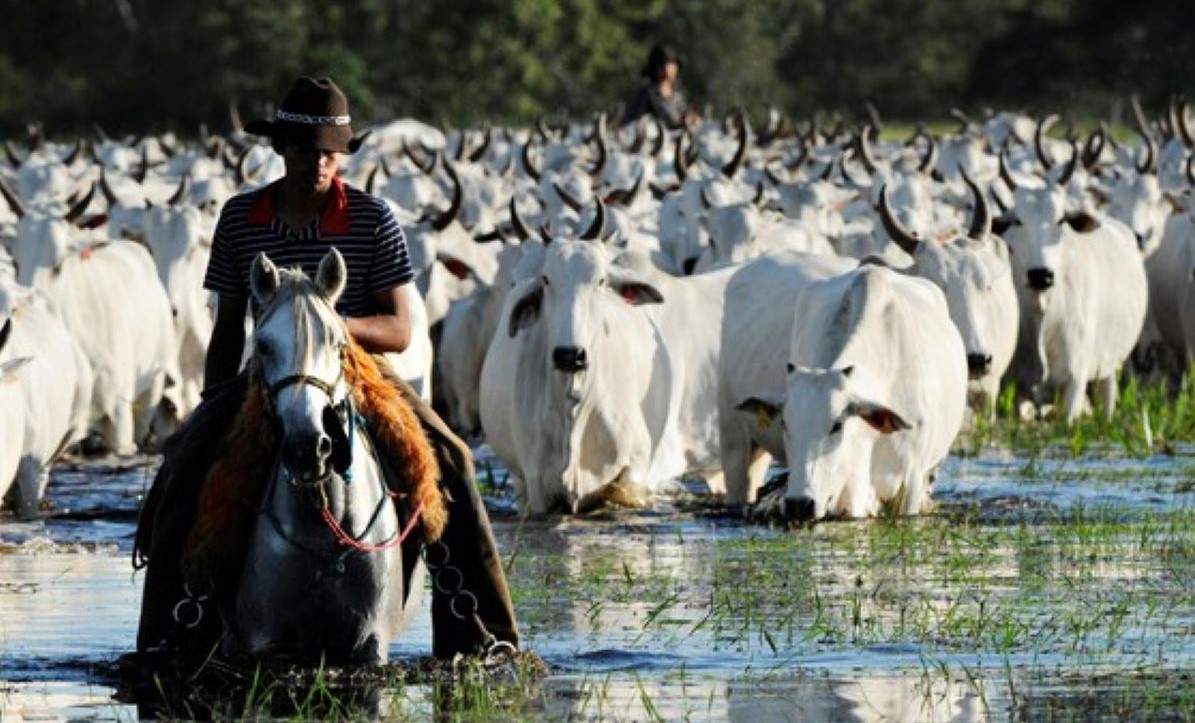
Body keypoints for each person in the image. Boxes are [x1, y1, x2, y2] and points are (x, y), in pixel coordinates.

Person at [131, 76, 518, 664]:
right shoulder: (240, 219)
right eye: (308, 149)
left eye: (331, 152)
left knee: (454, 462)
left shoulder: (373, 218)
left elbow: (401, 328)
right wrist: (214, 401)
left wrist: (330, 324)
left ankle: (482, 631)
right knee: (181, 469)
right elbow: (228, 322)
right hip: (267, 375)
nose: (320, 162)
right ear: (282, 149)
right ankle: (169, 633)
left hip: (361, 375)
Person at [620, 43, 698, 130]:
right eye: (667, 63)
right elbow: (629, 124)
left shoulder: (677, 97)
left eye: (672, 64)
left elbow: (684, 120)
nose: (670, 67)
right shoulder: (645, 95)